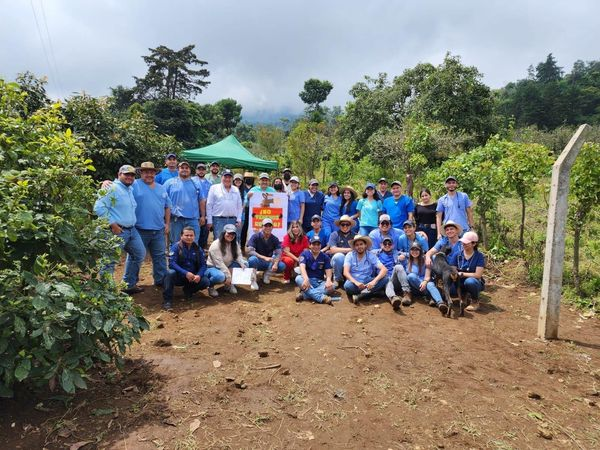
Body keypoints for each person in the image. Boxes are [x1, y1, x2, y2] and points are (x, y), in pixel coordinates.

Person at [94, 165, 146, 294]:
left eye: (132, 175)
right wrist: (113, 224)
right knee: (109, 261)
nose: (130, 177)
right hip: (116, 230)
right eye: (126, 174)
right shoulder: (111, 188)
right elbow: (99, 208)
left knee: (139, 254)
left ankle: (128, 285)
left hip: (131, 230)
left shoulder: (129, 189)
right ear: (119, 174)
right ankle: (107, 292)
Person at [130, 162, 171, 288]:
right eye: (146, 172)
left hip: (158, 229)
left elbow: (167, 206)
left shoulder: (161, 188)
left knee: (160, 257)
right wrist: (106, 182)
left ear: (155, 173)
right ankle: (130, 284)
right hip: (139, 229)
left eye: (152, 172)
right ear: (141, 173)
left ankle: (161, 280)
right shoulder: (134, 184)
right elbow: (119, 187)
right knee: (135, 257)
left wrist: (167, 223)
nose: (149, 174)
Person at [163, 227, 221, 310]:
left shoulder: (198, 248)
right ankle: (167, 301)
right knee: (170, 273)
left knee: (205, 281)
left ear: (194, 236)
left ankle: (188, 290)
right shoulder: (176, 247)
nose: (189, 237)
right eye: (186, 235)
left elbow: (203, 265)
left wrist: (199, 275)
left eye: (191, 235)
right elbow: (172, 263)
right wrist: (185, 273)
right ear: (181, 236)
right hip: (179, 276)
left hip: (192, 277)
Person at [163, 161, 205, 244]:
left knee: (193, 244)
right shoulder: (169, 183)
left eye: (186, 168)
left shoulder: (196, 183)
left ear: (190, 170)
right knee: (175, 244)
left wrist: (203, 216)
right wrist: (164, 219)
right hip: (175, 219)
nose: (184, 169)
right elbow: (162, 200)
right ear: (178, 170)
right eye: (182, 168)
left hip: (193, 219)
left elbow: (201, 200)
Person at [295, 236, 341, 305]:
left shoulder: (325, 256)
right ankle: (321, 298)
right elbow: (302, 267)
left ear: (321, 245)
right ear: (310, 245)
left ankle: (304, 295)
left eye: (318, 244)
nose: (316, 246)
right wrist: (306, 278)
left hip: (319, 282)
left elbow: (328, 269)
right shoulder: (304, 254)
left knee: (332, 286)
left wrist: (328, 280)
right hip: (307, 281)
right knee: (298, 278)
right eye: (314, 244)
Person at [343, 235, 388, 304]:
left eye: (361, 244)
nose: (359, 247)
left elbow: (384, 269)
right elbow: (345, 272)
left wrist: (373, 282)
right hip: (354, 282)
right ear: (354, 247)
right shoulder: (350, 255)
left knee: (385, 279)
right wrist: (356, 282)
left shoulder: (370, 255)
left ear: (365, 245)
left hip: (367, 281)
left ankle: (362, 295)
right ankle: (372, 293)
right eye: (357, 245)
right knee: (347, 286)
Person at [205, 224, 247, 296]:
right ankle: (210, 286)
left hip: (227, 265)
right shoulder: (216, 245)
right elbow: (219, 264)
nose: (231, 235)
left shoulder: (234, 243)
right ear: (224, 233)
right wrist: (228, 276)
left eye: (233, 234)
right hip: (214, 267)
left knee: (245, 264)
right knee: (220, 276)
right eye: (229, 233)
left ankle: (229, 284)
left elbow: (238, 255)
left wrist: (241, 263)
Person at [448, 231, 485, 312]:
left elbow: (478, 275)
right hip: (458, 281)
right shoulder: (457, 254)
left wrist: (462, 274)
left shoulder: (479, 256)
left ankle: (475, 301)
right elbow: (452, 268)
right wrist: (453, 274)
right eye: (463, 242)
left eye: (466, 243)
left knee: (470, 282)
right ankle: (463, 295)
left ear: (474, 244)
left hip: (474, 282)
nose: (463, 244)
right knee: (449, 291)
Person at [404, 242, 445, 313]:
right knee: (411, 276)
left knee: (430, 284)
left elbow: (427, 276)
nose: (414, 251)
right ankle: (431, 296)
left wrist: (425, 282)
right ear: (409, 251)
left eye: (417, 250)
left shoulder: (426, 259)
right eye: (412, 249)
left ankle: (440, 303)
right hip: (415, 288)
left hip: (426, 285)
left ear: (420, 251)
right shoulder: (407, 261)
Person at [246, 218, 286, 286]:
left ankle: (267, 274)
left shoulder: (275, 239)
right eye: (265, 226)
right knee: (252, 259)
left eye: (269, 226)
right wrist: (264, 257)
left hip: (268, 262)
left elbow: (278, 253)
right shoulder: (255, 236)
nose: (268, 228)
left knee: (281, 266)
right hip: (258, 261)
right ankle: (253, 278)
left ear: (272, 227)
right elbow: (250, 251)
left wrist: (276, 264)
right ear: (262, 227)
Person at [206, 169, 242, 241]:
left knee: (232, 241)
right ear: (221, 177)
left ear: (232, 179)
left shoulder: (236, 189)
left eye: (229, 177)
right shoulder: (214, 188)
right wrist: (209, 221)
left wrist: (239, 219)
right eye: (225, 177)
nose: (227, 179)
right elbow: (209, 205)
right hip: (218, 220)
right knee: (219, 241)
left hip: (233, 220)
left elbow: (239, 206)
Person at [375, 236, 411, 310]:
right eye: (385, 244)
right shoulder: (376, 254)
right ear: (381, 245)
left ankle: (407, 293)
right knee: (387, 280)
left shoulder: (397, 253)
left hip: (395, 280)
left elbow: (413, 253)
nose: (387, 245)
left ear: (393, 245)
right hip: (383, 280)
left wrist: (404, 256)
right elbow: (363, 251)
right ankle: (393, 298)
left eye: (389, 243)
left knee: (399, 267)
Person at [327, 215, 357, 285]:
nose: (345, 226)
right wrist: (350, 249)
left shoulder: (355, 235)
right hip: (337, 262)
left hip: (351, 261)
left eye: (347, 224)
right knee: (338, 256)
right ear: (339, 225)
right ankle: (337, 279)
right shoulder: (334, 234)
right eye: (343, 224)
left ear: (350, 225)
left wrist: (339, 249)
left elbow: (358, 249)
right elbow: (333, 249)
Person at [192, 163, 213, 249]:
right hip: (194, 211)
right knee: (194, 233)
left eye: (203, 170)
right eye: (199, 169)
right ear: (196, 170)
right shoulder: (192, 181)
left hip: (206, 211)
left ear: (205, 171)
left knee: (204, 234)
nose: (201, 171)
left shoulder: (209, 183)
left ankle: (201, 251)